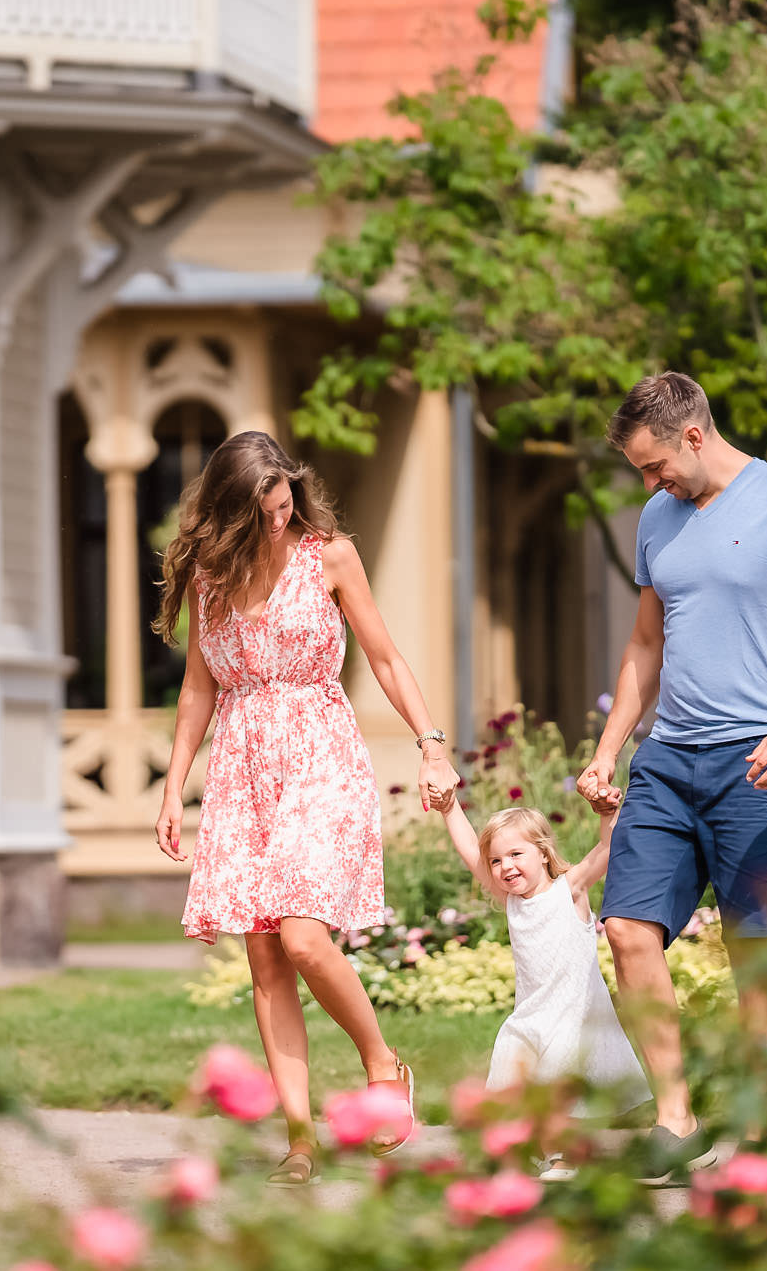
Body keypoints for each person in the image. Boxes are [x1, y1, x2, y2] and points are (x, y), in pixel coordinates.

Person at [576, 372, 767, 1182]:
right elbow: (644, 645)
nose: (650, 482)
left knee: (756, 952)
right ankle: (677, 1119)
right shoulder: (657, 520)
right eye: (640, 470)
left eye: (655, 464)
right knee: (629, 928)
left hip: (759, 762)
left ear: (693, 437)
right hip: (668, 758)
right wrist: (608, 748)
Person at [153, 430, 460, 1187]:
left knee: (300, 936)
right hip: (241, 766)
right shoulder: (209, 579)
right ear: (231, 513)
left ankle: (383, 1063)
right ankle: (299, 1138)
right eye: (263, 510)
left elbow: (385, 655)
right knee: (263, 956)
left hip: (319, 751)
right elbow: (200, 686)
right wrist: (172, 785)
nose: (279, 519)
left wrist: (431, 742)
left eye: (285, 502)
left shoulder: (330, 555)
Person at [427, 798, 652, 1179]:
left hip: (572, 1013)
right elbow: (469, 849)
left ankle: (561, 1154)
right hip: (530, 1015)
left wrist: (607, 817)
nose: (506, 867)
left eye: (516, 854)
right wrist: (450, 809)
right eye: (496, 861)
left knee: (557, 1086)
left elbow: (607, 849)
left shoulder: (571, 889)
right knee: (509, 1082)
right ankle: (524, 1148)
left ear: (544, 853)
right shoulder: (512, 899)